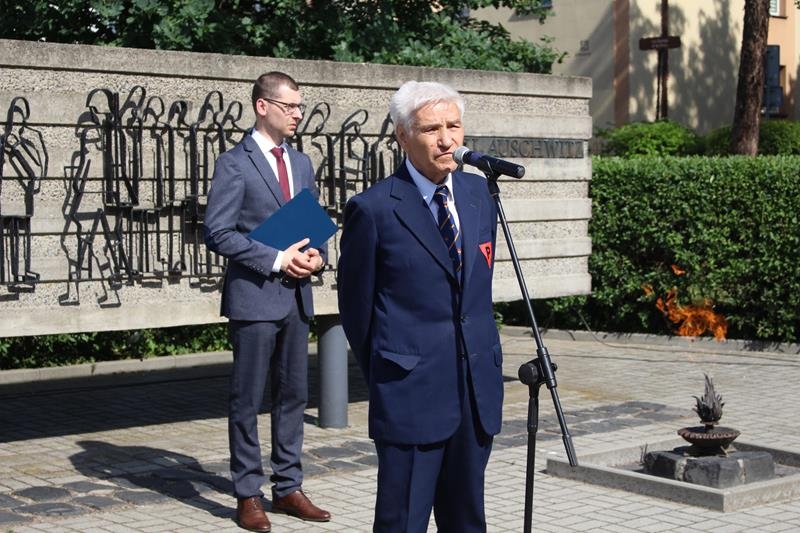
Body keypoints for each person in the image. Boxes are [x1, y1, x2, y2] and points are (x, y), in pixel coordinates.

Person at [337, 81, 504, 533]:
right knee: (402, 522)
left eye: (454, 126)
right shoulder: (373, 209)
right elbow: (357, 311)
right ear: (402, 137)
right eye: (432, 129)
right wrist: (394, 370)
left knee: (467, 521)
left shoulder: (479, 195)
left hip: (475, 392)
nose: (447, 139)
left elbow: (476, 293)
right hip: (410, 394)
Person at [204, 71, 331, 532]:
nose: (298, 113)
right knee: (247, 399)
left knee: (294, 395)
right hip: (254, 298)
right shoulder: (233, 163)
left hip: (296, 299)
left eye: (300, 106)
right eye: (290, 105)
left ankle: (288, 488)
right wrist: (276, 260)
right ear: (263, 106)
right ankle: (247, 493)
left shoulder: (301, 162)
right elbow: (217, 233)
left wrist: (318, 255)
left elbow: (312, 223)